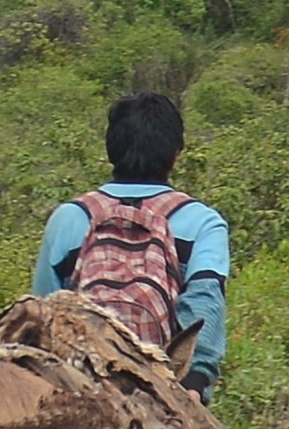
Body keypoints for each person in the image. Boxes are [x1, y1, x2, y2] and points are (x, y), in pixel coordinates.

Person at [36, 87, 232, 387]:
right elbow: (205, 301)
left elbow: (43, 312)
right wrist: (195, 383)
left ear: (111, 150)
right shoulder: (203, 223)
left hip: (76, 383)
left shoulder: (69, 218)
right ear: (175, 155)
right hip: (157, 383)